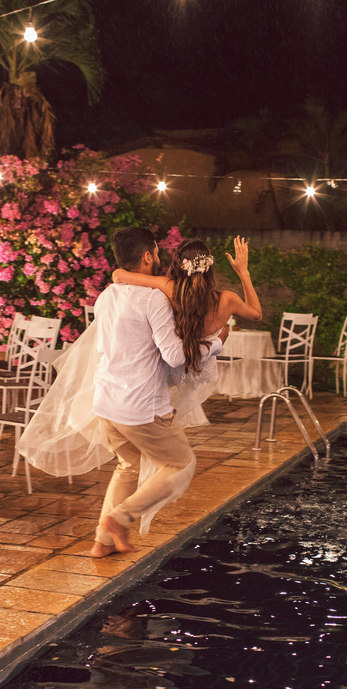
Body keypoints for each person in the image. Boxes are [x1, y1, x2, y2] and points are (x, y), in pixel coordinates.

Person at [89, 228, 227, 557]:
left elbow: (103, 346)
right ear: (147, 256)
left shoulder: (106, 296)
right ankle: (119, 519)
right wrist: (216, 343)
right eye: (156, 251)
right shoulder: (153, 299)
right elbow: (176, 356)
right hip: (141, 407)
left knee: (128, 465)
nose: (160, 257)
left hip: (106, 401)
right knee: (181, 465)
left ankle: (102, 542)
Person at [112, 235, 263, 360]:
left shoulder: (169, 287)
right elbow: (256, 314)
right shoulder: (228, 300)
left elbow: (118, 275)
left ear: (179, 266)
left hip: (176, 374)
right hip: (205, 378)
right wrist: (243, 273)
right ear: (209, 267)